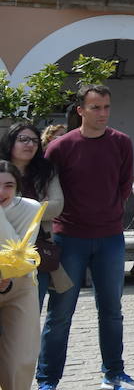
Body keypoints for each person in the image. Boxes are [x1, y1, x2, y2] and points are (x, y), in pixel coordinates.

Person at [31, 84, 134, 390]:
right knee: (60, 313)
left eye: (106, 107)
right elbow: (48, 190)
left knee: (112, 311)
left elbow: (124, 183)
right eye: (96, 107)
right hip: (69, 239)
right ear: (80, 110)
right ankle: (47, 381)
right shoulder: (60, 147)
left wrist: (109, 211)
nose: (103, 113)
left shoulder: (121, 142)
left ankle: (114, 373)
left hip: (109, 237)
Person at [0, 123, 66, 300]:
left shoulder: (46, 171)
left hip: (37, 251)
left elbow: (57, 206)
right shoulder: (1, 170)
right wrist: (39, 206)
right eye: (23, 139)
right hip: (2, 250)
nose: (29, 144)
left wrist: (15, 207)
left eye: (35, 141)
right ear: (10, 141)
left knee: (28, 313)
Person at [0, 161, 44, 390]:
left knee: (21, 359)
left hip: (20, 285)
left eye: (9, 185)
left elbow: (17, 250)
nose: (2, 191)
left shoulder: (30, 207)